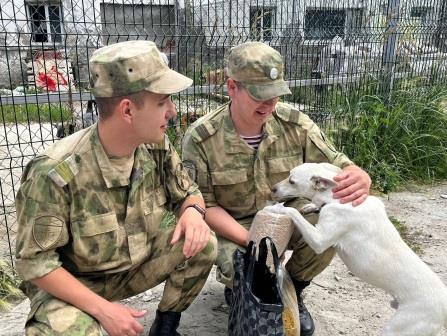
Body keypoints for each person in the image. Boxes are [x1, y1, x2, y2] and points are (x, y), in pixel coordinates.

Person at [15, 40, 217, 336]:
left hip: (132, 266)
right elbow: (35, 265)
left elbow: (188, 192)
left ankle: (165, 328)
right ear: (127, 111)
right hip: (75, 284)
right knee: (69, 331)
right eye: (163, 102)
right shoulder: (55, 172)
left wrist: (194, 213)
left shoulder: (156, 146)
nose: (172, 111)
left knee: (203, 242)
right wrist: (103, 310)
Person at [182, 41, 371, 336]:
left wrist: (358, 175)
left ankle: (293, 289)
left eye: (275, 95)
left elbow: (338, 164)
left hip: (287, 216)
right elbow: (204, 204)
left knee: (332, 221)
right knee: (245, 268)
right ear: (232, 87)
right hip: (237, 226)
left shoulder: (296, 124)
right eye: (260, 96)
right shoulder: (202, 138)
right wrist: (255, 243)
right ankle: (243, 291)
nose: (270, 105)